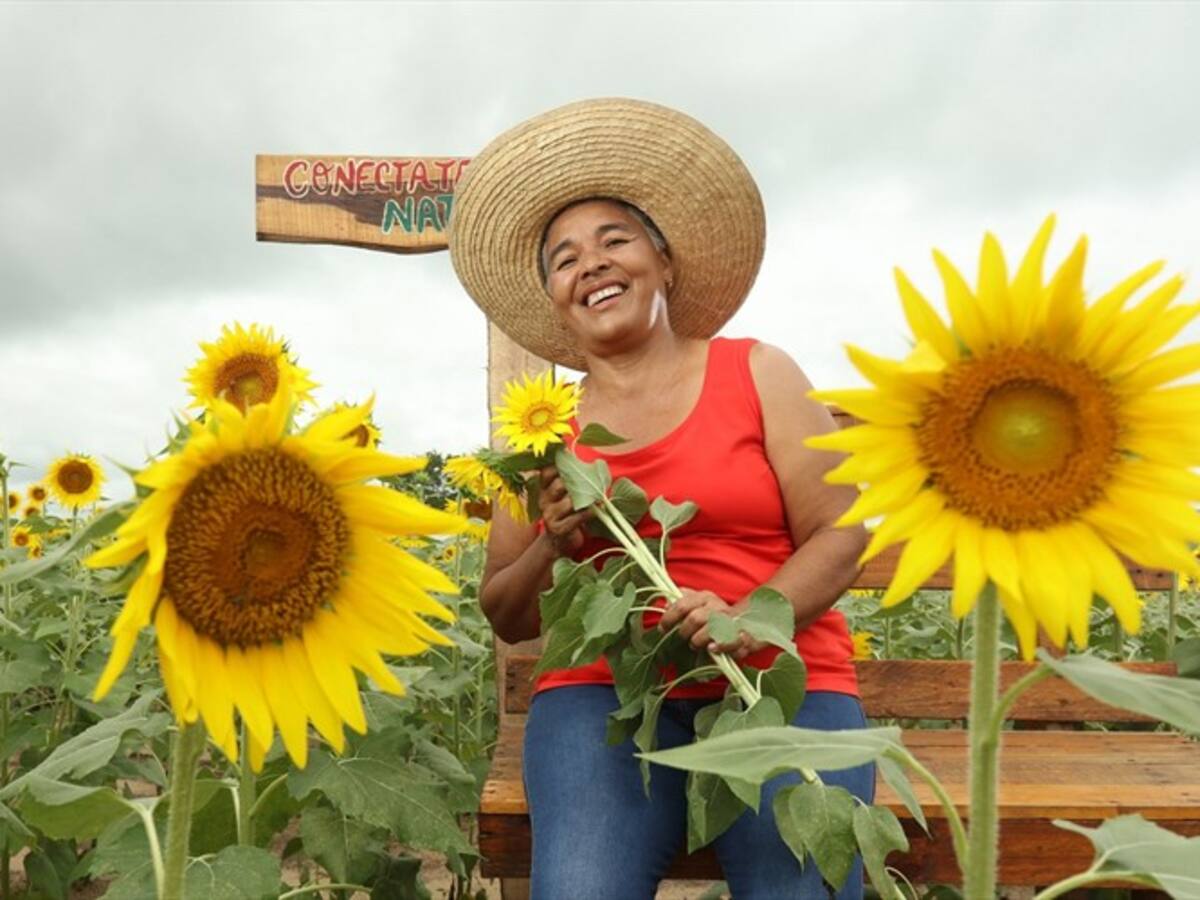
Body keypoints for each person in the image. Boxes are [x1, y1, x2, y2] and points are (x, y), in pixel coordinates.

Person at [449, 98, 872, 900]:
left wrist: (749, 616)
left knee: (802, 886)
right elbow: (506, 612)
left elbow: (841, 532)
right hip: (602, 698)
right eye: (565, 259)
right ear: (557, 300)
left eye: (616, 240)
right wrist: (553, 540)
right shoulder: (542, 438)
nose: (593, 264)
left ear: (665, 263)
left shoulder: (758, 370)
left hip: (781, 681)